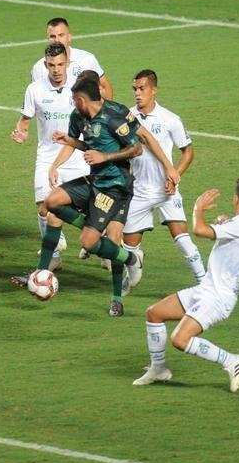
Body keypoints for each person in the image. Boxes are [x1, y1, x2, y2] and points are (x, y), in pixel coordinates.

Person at [40, 71, 179, 317]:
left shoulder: (115, 116)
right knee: (51, 202)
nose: (73, 105)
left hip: (117, 187)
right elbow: (87, 144)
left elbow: (136, 148)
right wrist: (70, 142)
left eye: (74, 100)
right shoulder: (79, 117)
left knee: (107, 240)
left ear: (83, 99)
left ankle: (119, 290)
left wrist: (105, 157)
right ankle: (107, 243)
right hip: (94, 180)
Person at [132, 178, 239, 393]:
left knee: (180, 339)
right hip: (207, 289)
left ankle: (231, 360)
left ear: (235, 199)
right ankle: (158, 369)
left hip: (218, 297)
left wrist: (197, 209)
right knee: (154, 313)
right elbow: (232, 239)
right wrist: (223, 225)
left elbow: (199, 230)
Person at [9, 43, 89, 283]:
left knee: (90, 209)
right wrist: (21, 132)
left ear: (67, 64)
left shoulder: (78, 88)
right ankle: (53, 256)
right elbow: (24, 120)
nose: (56, 70)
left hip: (77, 156)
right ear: (45, 65)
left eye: (60, 64)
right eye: (51, 65)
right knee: (44, 207)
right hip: (47, 156)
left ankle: (97, 241)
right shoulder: (34, 89)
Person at [120, 69, 204, 296]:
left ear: (154, 90)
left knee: (183, 240)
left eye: (142, 89)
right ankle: (131, 274)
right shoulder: (126, 117)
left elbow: (188, 151)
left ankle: (204, 282)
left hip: (167, 190)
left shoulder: (170, 119)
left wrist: (175, 174)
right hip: (138, 191)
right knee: (128, 247)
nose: (137, 94)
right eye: (135, 89)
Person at [29, 17, 113, 100]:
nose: (57, 40)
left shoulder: (86, 59)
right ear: (48, 39)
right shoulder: (38, 68)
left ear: (69, 37)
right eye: (52, 36)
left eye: (61, 35)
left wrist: (106, 112)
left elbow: (105, 87)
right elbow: (35, 98)